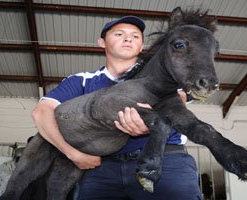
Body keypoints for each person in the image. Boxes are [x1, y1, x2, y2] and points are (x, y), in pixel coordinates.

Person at [32, 16, 202, 200]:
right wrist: (72, 154)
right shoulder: (80, 80)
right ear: (101, 42)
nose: (128, 39)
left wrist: (156, 121)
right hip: (100, 167)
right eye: (119, 34)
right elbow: (41, 112)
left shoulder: (165, 74)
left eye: (135, 36)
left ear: (141, 46)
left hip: (164, 160)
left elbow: (179, 100)